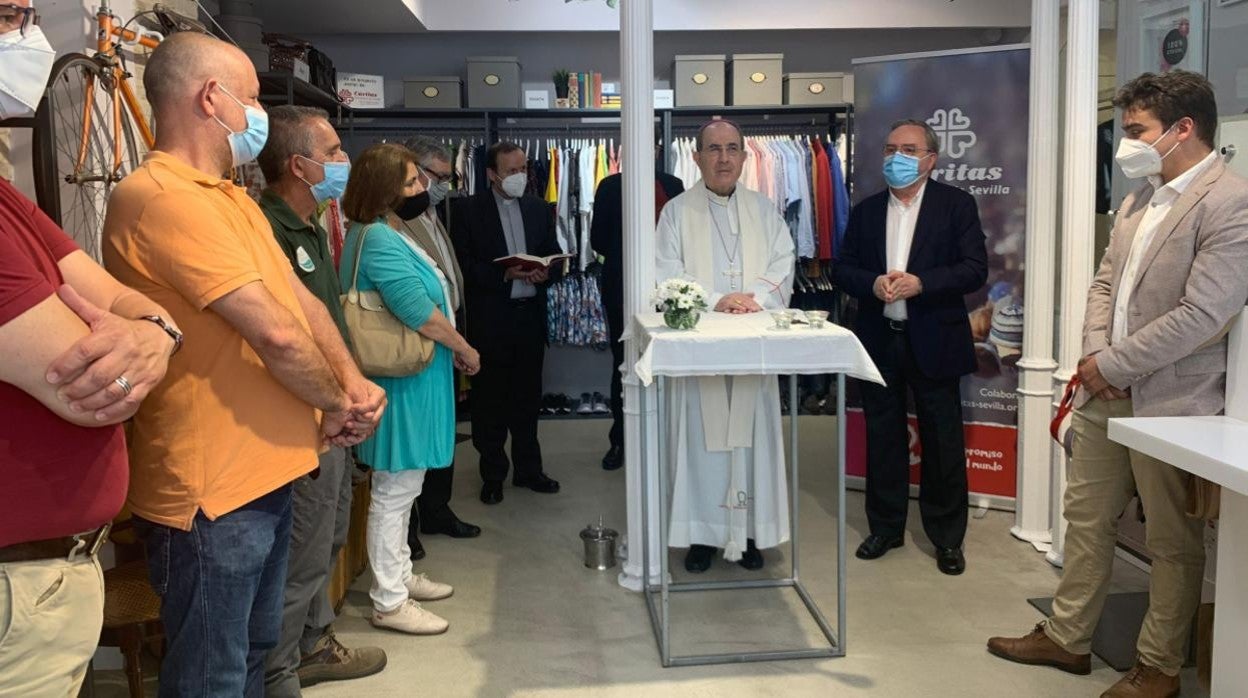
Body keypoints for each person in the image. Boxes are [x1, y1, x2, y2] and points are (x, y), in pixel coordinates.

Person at [101, 33, 385, 697]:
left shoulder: (230, 197)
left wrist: (350, 385)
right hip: (212, 495)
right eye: (253, 100)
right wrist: (340, 405)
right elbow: (277, 335)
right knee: (212, 674)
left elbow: (303, 304)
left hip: (270, 472)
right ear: (210, 98)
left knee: (255, 655)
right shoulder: (162, 198)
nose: (259, 118)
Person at [988, 70, 1248, 698]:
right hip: (1108, 388)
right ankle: (1069, 636)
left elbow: (1205, 315)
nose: (1126, 143)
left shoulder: (1230, 201)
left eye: (1136, 131)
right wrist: (1093, 356)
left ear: (1184, 129)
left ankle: (1158, 668)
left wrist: (1115, 364)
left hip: (1174, 401)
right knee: (1085, 517)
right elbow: (1105, 284)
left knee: (1170, 540)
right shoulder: (1139, 198)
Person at [0, 8, 176, 691]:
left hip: (42, 576)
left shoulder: (10, 202)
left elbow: (126, 299)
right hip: (19, 588)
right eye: (10, 15)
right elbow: (92, 392)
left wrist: (152, 332)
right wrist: (148, 346)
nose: (24, 37)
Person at [256, 105, 388, 694]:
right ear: (298, 164)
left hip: (336, 412)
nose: (344, 161)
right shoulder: (269, 227)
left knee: (330, 536)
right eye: (332, 152)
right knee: (301, 556)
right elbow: (283, 336)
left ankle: (314, 644)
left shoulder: (315, 222)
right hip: (304, 419)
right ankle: (277, 672)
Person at [833, 119, 987, 577]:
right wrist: (872, 283)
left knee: (942, 441)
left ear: (930, 159)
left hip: (935, 339)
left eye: (908, 149)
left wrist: (922, 283)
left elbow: (974, 268)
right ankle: (885, 528)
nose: (896, 157)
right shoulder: (866, 211)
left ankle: (946, 538)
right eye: (890, 148)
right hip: (881, 340)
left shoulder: (955, 206)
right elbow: (842, 269)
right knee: (883, 437)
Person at [341, 143, 481, 635]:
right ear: (383, 191)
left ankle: (399, 574)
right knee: (395, 489)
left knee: (406, 484)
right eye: (410, 183)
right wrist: (464, 347)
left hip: (415, 376)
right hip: (402, 380)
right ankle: (389, 599)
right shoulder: (377, 238)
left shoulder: (386, 230)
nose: (422, 188)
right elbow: (415, 309)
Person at [655, 119, 796, 573]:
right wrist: (718, 300)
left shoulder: (764, 208)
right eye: (713, 149)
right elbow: (667, 271)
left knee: (753, 441)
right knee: (701, 441)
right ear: (695, 156)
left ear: (744, 156)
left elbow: (784, 260)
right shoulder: (676, 211)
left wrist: (754, 299)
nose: (723, 158)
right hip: (703, 345)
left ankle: (749, 531)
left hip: (754, 339)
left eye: (732, 148)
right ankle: (702, 534)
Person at [452, 141, 562, 505]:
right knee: (489, 403)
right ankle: (493, 474)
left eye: (524, 169)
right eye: (512, 171)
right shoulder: (469, 210)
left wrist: (546, 272)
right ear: (491, 175)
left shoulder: (537, 208)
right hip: (491, 322)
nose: (521, 176)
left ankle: (529, 470)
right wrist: (504, 275)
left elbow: (555, 255)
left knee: (528, 401)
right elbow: (461, 267)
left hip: (529, 320)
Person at [400, 136, 482, 560]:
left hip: (445, 340)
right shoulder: (398, 220)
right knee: (417, 440)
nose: (444, 185)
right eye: (437, 177)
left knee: (442, 434)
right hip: (419, 346)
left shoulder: (434, 212)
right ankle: (409, 527)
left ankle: (437, 509)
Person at [590, 166, 685, 471]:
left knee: (669, 362)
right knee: (624, 361)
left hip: (670, 288)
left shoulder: (672, 184)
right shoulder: (609, 186)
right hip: (622, 286)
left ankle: (666, 439)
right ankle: (620, 439)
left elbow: (682, 234)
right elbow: (598, 240)